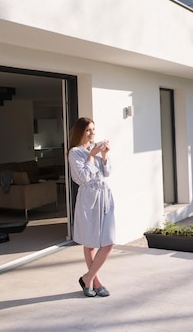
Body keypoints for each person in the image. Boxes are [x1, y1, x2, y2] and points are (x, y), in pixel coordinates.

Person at [67, 117, 114, 297]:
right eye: (88, 130)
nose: (92, 133)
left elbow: (107, 172)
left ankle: (87, 277)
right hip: (89, 198)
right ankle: (95, 281)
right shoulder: (74, 153)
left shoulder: (93, 150)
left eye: (93, 129)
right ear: (80, 132)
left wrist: (104, 154)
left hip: (104, 196)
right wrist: (91, 155)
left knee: (108, 242)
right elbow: (84, 177)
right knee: (91, 242)